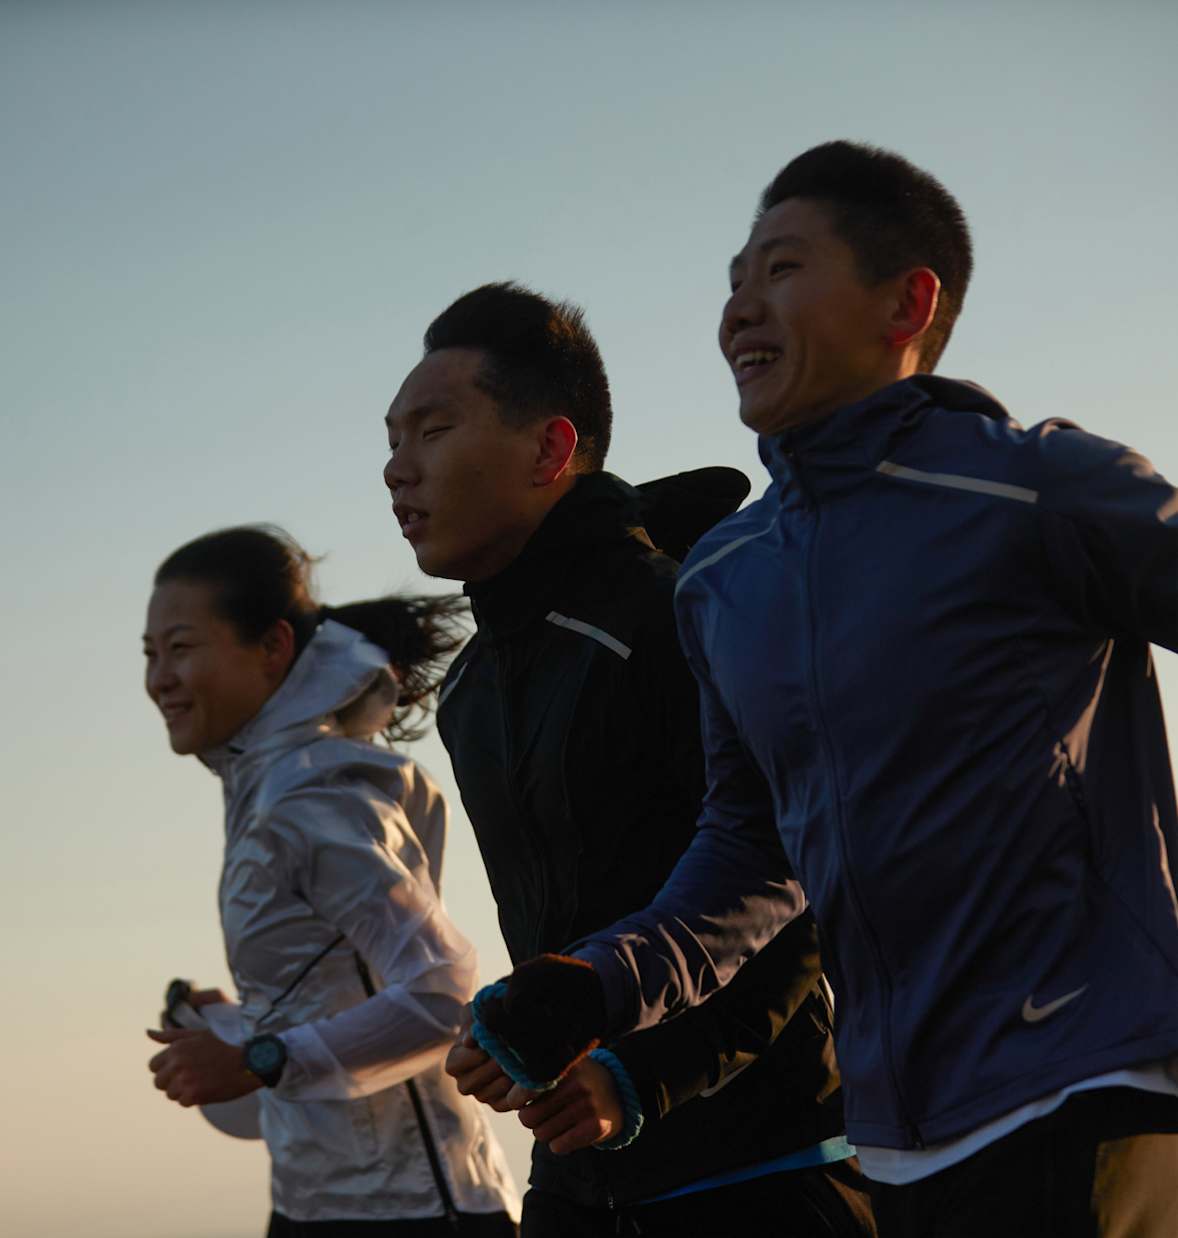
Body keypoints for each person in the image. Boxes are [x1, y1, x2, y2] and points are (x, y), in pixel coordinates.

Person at [467, 144, 1178, 1236]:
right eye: (733, 279)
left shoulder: (1026, 488)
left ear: (906, 302)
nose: (739, 308)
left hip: (1084, 1091)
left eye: (781, 269)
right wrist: (597, 983)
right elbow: (748, 858)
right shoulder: (721, 579)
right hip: (891, 1134)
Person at [384, 283, 876, 1237]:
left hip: (765, 1175)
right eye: (394, 439)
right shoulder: (470, 683)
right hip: (577, 1183)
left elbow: (793, 890)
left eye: (432, 432)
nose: (398, 471)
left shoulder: (678, 616)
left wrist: (639, 1075)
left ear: (550, 450)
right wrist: (520, 1033)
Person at [141, 525, 520, 1236]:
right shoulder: (266, 784)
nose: (159, 677)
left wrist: (257, 1058)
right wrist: (239, 1024)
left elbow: (442, 991)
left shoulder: (315, 795)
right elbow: (344, 988)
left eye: (182, 648)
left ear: (274, 647)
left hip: (410, 1208)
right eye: (150, 654)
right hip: (319, 1199)